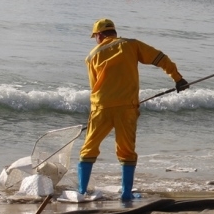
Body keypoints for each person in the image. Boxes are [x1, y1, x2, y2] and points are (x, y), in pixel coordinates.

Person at [77, 18, 189, 201]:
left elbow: (94, 86)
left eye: (95, 36)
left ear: (99, 35)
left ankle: (81, 192)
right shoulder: (131, 45)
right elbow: (160, 58)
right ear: (113, 31)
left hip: (100, 108)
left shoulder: (91, 56)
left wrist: (96, 113)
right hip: (126, 109)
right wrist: (177, 78)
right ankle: (126, 194)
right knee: (126, 152)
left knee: (88, 150)